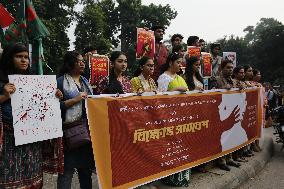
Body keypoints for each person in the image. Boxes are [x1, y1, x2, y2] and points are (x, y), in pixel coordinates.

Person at [0, 43, 63, 188]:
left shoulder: (34, 80)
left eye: (26, 57)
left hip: (31, 140)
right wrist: (4, 96)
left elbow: (44, 107)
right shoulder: (2, 81)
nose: (24, 61)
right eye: (19, 57)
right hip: (9, 142)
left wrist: (55, 96)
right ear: (9, 58)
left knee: (32, 179)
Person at [57, 51, 95, 189]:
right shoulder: (60, 82)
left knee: (85, 170)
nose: (82, 63)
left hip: (86, 133)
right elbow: (54, 107)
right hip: (69, 135)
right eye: (78, 61)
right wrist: (75, 100)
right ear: (69, 64)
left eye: (83, 61)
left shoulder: (86, 82)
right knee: (66, 172)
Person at [213, 59, 241, 171]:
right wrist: (223, 89)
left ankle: (229, 158)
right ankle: (221, 161)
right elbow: (212, 93)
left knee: (231, 135)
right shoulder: (216, 80)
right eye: (228, 68)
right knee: (223, 137)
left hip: (232, 112)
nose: (230, 70)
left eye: (231, 68)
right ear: (221, 68)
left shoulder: (234, 81)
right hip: (221, 114)